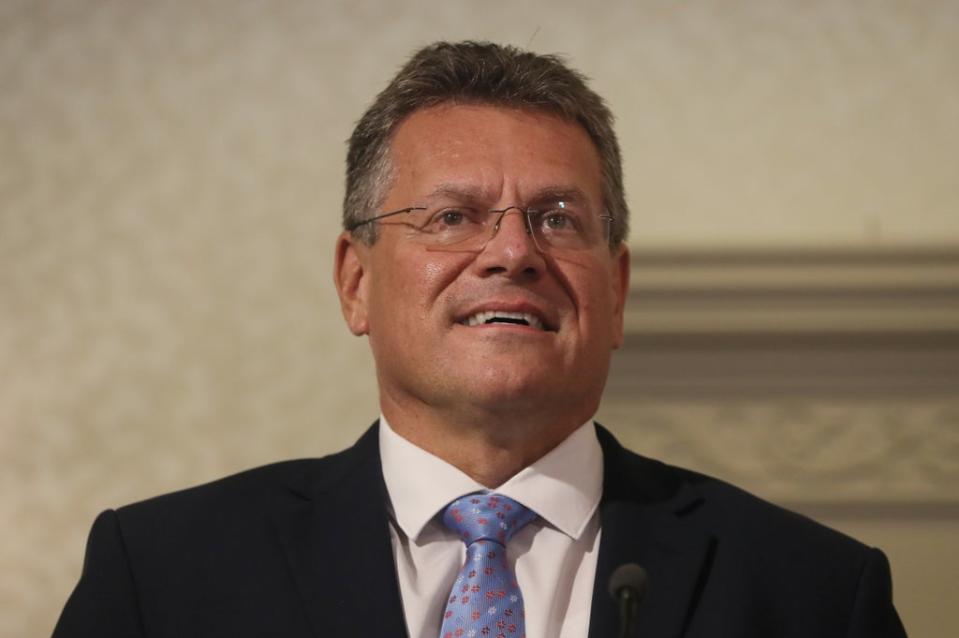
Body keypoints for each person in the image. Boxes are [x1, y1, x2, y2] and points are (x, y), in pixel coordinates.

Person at [53, 41, 907, 638]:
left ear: (617, 293)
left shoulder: (812, 592)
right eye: (452, 216)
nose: (510, 252)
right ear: (356, 283)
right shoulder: (164, 572)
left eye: (557, 219)